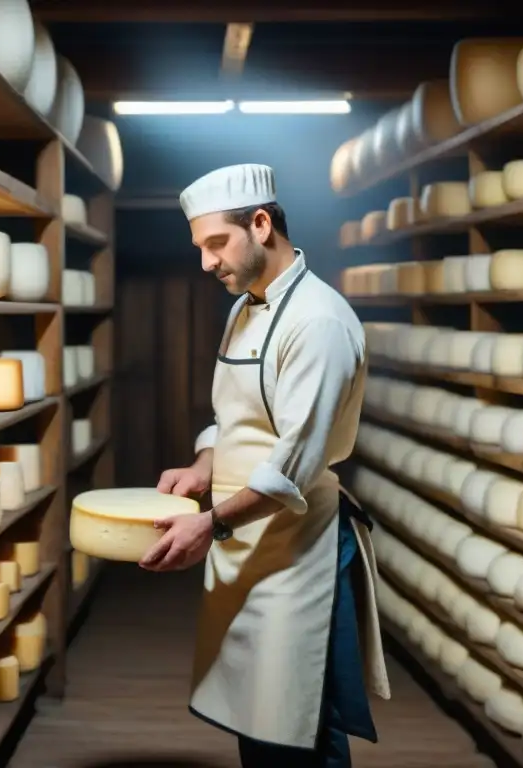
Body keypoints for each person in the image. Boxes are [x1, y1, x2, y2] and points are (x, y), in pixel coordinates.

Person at [138, 163, 390, 768]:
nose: (206, 262)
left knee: (302, 722)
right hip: (248, 542)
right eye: (199, 247)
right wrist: (204, 464)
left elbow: (292, 467)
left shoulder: (318, 322)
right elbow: (234, 420)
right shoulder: (246, 307)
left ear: (260, 223)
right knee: (261, 720)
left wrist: (212, 523)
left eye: (215, 244)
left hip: (299, 549)